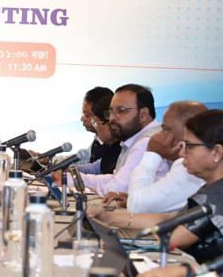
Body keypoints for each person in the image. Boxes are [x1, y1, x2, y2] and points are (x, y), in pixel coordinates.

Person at [89, 110, 223, 264]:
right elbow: (171, 218)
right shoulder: (210, 187)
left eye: (190, 146)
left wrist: (123, 240)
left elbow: (173, 237)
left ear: (217, 152)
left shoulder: (217, 194)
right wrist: (110, 218)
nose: (183, 151)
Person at [103, 101, 207, 213]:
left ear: (187, 132)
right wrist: (132, 198)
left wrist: (152, 153)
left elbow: (136, 206)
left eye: (166, 129)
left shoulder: (189, 168)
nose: (159, 135)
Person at [79, 84, 160, 196]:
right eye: (111, 112)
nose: (112, 118)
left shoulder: (147, 142)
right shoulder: (133, 140)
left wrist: (73, 179)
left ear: (143, 114)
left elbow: (116, 189)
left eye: (121, 110)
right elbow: (116, 179)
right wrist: (70, 178)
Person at [76, 94, 121, 175]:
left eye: (96, 123)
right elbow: (96, 167)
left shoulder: (131, 147)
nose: (96, 128)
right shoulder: (112, 148)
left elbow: (115, 182)